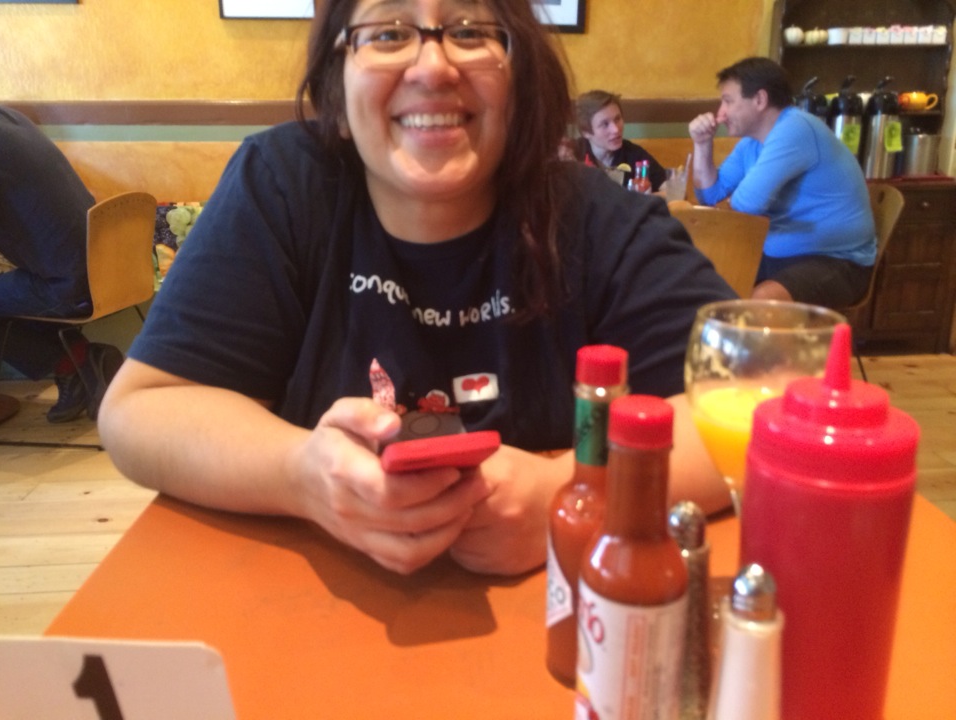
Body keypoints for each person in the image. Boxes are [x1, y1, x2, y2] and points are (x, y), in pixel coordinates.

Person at [98, 0, 734, 578]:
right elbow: (141, 412)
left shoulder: (598, 219)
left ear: (520, 77)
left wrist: (574, 494)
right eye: (389, 32)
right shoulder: (284, 184)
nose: (432, 67)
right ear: (336, 80)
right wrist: (302, 476)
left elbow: (762, 404)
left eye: (469, 31)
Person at [688, 57, 876, 306]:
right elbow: (709, 196)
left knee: (760, 302)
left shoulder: (795, 128)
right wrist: (702, 144)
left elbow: (747, 204)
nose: (720, 113)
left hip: (838, 261)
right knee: (704, 284)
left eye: (728, 101)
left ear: (759, 100)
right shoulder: (751, 143)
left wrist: (739, 198)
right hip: (780, 257)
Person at [0, 105, 124, 423]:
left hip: (69, 285)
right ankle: (80, 363)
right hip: (109, 273)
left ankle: (73, 363)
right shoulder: (9, 118)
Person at [575, 89, 666, 191]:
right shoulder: (572, 155)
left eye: (617, 119)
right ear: (586, 132)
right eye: (605, 124)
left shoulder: (634, 154)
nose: (616, 129)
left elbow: (667, 187)